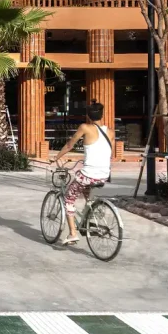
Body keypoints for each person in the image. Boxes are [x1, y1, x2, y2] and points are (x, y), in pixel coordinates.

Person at [52, 101, 113, 245]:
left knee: (69, 199)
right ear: (102, 114)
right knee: (87, 191)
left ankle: (73, 233)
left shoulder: (84, 127)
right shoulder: (110, 131)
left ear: (88, 115)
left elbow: (69, 145)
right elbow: (109, 153)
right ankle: (90, 213)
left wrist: (56, 158)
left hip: (88, 174)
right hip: (104, 174)